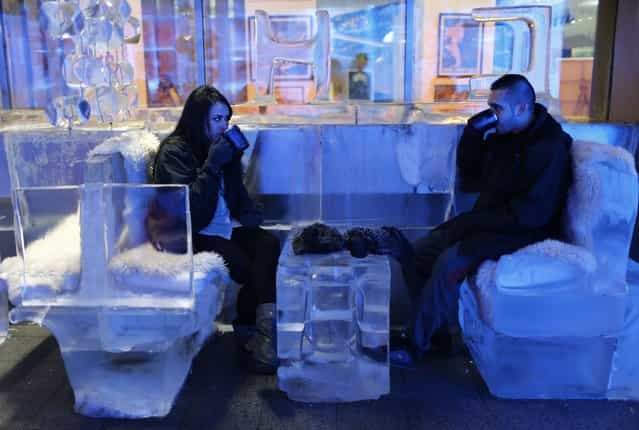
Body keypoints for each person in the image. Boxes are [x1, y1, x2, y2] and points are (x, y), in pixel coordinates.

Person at [395, 74, 573, 358]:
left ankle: (414, 345)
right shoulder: (509, 137)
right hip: (491, 222)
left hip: (523, 231)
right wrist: (473, 134)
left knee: (447, 264)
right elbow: (474, 175)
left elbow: (531, 215)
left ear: (521, 108)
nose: (493, 115)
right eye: (490, 107)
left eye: (497, 109)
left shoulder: (549, 147)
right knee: (418, 253)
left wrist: (470, 224)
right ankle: (433, 335)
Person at [152, 85, 281, 374]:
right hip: (187, 235)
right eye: (217, 119)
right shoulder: (174, 153)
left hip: (221, 227)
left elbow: (235, 196)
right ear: (199, 120)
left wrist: (248, 211)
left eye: (227, 118)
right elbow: (190, 214)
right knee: (245, 266)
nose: (224, 126)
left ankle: (260, 335)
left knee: (268, 244)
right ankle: (250, 331)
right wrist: (212, 165)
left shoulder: (221, 148)